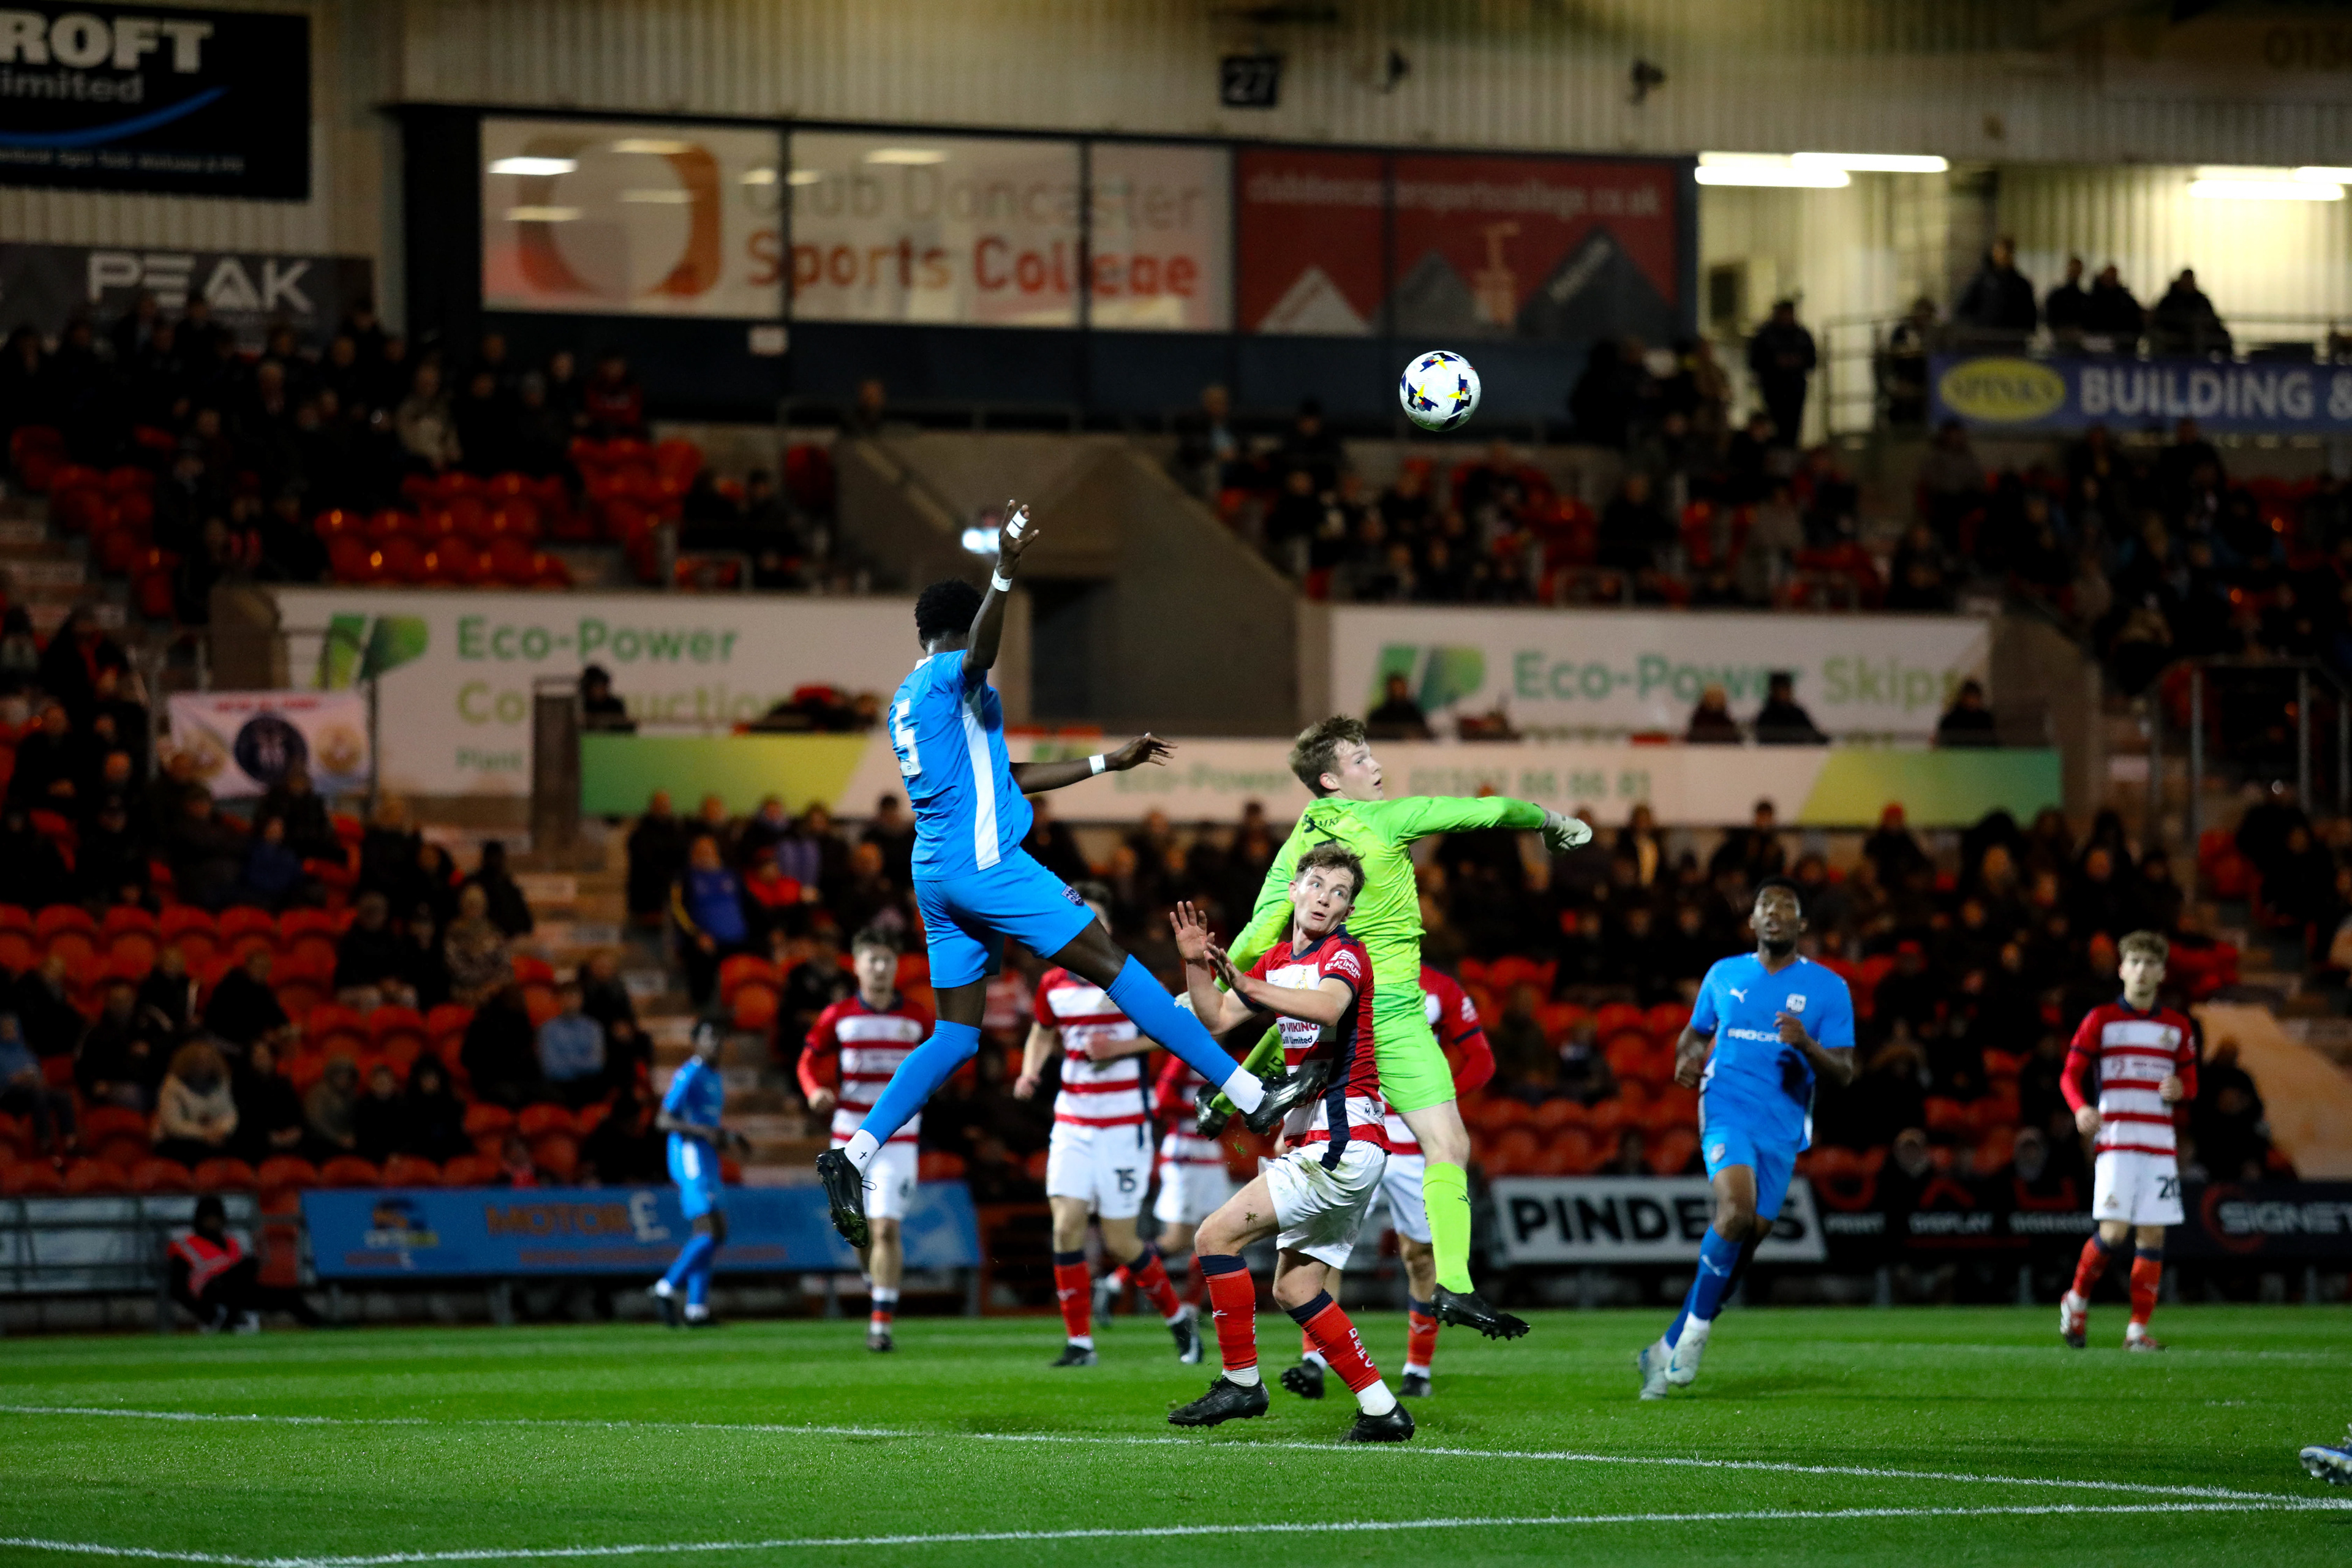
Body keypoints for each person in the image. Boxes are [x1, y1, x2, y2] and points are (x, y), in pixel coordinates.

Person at [815, 503, 1313, 1251]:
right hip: (989, 869)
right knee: (1120, 969)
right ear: (953, 631)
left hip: (938, 874)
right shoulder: (952, 676)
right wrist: (1006, 573)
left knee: (954, 1035)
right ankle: (1250, 1094)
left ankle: (853, 1153)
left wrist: (1101, 763)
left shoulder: (906, 707)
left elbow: (1004, 774)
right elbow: (980, 653)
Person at [1207, 715, 1590, 1342]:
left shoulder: (1299, 844)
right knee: (1448, 1147)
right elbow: (1485, 813)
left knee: (1315, 1156)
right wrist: (1554, 822)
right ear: (1331, 778)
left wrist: (1220, 984)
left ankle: (1239, 1093)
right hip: (1392, 1013)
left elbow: (1258, 930)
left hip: (1333, 1006)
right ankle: (1456, 1285)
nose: (1375, 766)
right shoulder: (1388, 819)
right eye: (1360, 759)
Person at [1163, 847, 1410, 1442]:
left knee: (1213, 1236)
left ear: (1349, 907)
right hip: (1336, 1144)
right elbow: (1217, 1016)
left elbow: (1327, 1005)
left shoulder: (1345, 955)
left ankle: (1242, 1382)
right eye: (1318, 884)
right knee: (1295, 1286)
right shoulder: (1277, 959)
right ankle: (1382, 1410)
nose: (1328, 897)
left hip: (1339, 1138)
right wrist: (1197, 965)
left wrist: (1247, 980)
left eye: (1341, 891)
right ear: (1294, 890)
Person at [1637, 877, 1856, 1398]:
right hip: (1726, 1107)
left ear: (1802, 925)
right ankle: (1694, 1337)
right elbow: (1695, 1033)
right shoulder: (1724, 973)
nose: (1774, 914)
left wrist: (1806, 1046)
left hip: (1781, 1126)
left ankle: (1661, 1352)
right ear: (1753, 923)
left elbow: (1844, 1071)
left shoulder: (1829, 988)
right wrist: (1684, 1060)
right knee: (1735, 1212)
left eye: (1786, 908)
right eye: (1765, 907)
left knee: (1740, 1250)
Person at [1014, 884, 1204, 1368]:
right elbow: (1041, 1030)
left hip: (1124, 1127)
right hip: (1073, 1123)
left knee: (1121, 1241)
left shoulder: (1128, 976)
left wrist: (1119, 1049)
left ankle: (1177, 1319)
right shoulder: (1053, 983)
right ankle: (1081, 1343)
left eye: (1093, 918)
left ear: (1107, 927)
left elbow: (1173, 1030)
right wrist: (1030, 1069)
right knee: (1066, 1228)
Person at [1286, 963, 1494, 1404]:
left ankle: (1417, 1369)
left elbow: (1482, 1061)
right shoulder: (1340, 976)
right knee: (1323, 1249)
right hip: (1352, 1128)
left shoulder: (1441, 988)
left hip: (1414, 1145)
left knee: (1420, 1257)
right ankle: (1315, 1362)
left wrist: (1432, 1104)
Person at [2058, 930, 2199, 1353]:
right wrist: (2081, 1108)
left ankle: (2137, 1331)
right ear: (2121, 969)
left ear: (2162, 973)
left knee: (2153, 1237)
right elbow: (2069, 1075)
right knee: (2115, 1232)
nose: (2142, 970)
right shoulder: (2101, 1019)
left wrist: (2181, 1089)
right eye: (2134, 962)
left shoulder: (2176, 1027)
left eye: (2150, 963)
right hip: (2117, 1141)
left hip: (2159, 1143)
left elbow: (2190, 1082)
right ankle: (2077, 1299)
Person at [797, 925, 933, 1352]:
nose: (879, 967)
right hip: (849, 1137)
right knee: (858, 1231)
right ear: (856, 966)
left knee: (887, 1228)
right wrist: (813, 1090)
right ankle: (878, 1284)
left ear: (897, 967)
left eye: (887, 960)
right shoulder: (838, 1016)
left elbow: (940, 1063)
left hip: (899, 1137)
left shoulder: (917, 1018)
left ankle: (880, 1324)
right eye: (871, 959)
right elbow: (807, 1060)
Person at [650, 1023, 745, 1327]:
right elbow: (664, 1120)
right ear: (695, 1042)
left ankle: (696, 1309)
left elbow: (704, 1121)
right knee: (711, 1231)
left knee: (714, 1232)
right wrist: (703, 1132)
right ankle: (665, 1288)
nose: (716, 1043)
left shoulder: (714, 1077)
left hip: (706, 1156)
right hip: (689, 1157)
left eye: (720, 1037)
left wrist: (728, 1136)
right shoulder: (689, 1074)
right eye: (710, 1037)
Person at [168, 1194, 318, 1332]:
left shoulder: (232, 1242)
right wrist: (203, 1311)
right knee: (248, 1266)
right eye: (208, 1218)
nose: (212, 1222)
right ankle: (226, 1319)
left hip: (236, 1293)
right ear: (199, 1219)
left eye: (216, 1217)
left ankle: (325, 1326)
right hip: (211, 1292)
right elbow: (177, 1288)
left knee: (288, 1296)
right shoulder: (186, 1245)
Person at [671, 833, 751, 1008]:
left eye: (708, 851)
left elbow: (749, 905)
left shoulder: (732, 876)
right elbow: (677, 910)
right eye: (700, 852)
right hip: (703, 941)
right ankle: (703, 1009)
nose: (705, 855)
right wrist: (697, 935)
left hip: (738, 939)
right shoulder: (685, 878)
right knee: (702, 962)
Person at [152, 1041, 238, 1166]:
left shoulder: (221, 1082)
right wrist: (204, 1134)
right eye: (199, 1061)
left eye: (207, 1060)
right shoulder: (172, 1085)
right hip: (181, 1139)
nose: (203, 1065)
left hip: (215, 1135)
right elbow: (173, 1125)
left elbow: (229, 1113)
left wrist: (222, 1130)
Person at [1746, 300, 1817, 450]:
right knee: (1776, 425)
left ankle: (1789, 453)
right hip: (1774, 388)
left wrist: (1798, 362)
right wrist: (1774, 363)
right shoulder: (1765, 335)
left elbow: (1812, 360)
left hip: (1795, 389)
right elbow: (1754, 361)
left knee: (1793, 426)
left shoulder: (1801, 335)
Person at [535, 982, 608, 1108]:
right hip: (559, 1086)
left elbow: (596, 1063)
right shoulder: (547, 1029)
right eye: (565, 997)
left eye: (574, 997)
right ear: (558, 1000)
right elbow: (551, 1068)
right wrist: (582, 1064)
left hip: (589, 1084)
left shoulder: (593, 1027)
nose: (570, 1001)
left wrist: (567, 1061)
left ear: (581, 1000)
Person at [1954, 238, 2038, 338]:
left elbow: (2030, 315)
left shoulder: (2021, 284)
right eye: (2000, 251)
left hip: (2013, 341)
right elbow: (1963, 308)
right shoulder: (1982, 281)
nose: (2003, 255)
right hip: (1986, 339)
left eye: (2007, 252)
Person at [1752, 672, 1828, 745]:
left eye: (1787, 689)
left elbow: (1812, 734)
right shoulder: (1766, 716)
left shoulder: (1797, 714)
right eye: (1781, 689)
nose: (1786, 693)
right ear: (1774, 691)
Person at [1365, 673, 1432, 740]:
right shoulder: (1379, 715)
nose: (1399, 691)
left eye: (1401, 688)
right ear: (1389, 690)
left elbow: (1424, 733)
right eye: (1396, 688)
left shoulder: (1415, 713)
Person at [1936, 679, 1998, 748]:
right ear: (1963, 697)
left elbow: (1993, 742)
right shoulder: (1950, 720)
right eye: (1971, 696)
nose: (1973, 701)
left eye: (1976, 697)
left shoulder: (1986, 719)